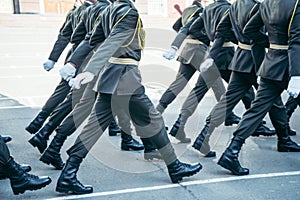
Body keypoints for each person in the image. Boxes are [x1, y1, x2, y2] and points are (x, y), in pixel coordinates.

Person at [55, 0, 202, 194]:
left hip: (111, 76)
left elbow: (91, 40)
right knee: (153, 119)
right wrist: (89, 69)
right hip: (125, 76)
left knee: (94, 127)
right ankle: (175, 166)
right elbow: (111, 41)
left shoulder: (110, 10)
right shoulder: (128, 12)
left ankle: (68, 175)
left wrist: (74, 63)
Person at [27, 0, 125, 154]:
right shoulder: (108, 9)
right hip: (93, 61)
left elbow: (74, 36)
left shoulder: (88, 10)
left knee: (80, 99)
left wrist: (63, 59)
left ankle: (45, 132)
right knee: (83, 102)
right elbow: (100, 39)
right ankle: (50, 140)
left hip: (80, 57)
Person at [217, 0, 300, 176]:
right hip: (292, 66)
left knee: (256, 110)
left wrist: (272, 45)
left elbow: (250, 30)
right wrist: (296, 74)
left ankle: (231, 151)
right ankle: (283, 140)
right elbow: (296, 41)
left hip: (271, 65)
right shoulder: (296, 4)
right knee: (258, 108)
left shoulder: (266, 3)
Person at [192, 0, 282, 157]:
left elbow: (222, 29)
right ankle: (284, 138)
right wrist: (267, 46)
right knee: (273, 99)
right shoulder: (257, 7)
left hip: (240, 59)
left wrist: (239, 41)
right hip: (255, 61)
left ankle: (203, 137)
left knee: (227, 102)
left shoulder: (234, 6)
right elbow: (255, 41)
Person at [25, 0, 97, 136]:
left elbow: (64, 36)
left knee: (64, 90)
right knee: (89, 94)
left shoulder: (75, 11)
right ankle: (47, 132)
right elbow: (91, 39)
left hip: (75, 55)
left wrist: (53, 58)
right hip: (87, 57)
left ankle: (39, 121)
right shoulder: (97, 10)